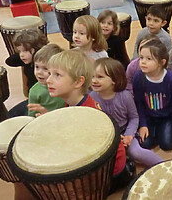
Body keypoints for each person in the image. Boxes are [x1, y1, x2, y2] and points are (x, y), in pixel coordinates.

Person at [46, 49, 130, 193]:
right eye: (50, 74)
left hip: (111, 170)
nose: (48, 80)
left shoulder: (88, 115)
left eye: (57, 75)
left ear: (78, 82)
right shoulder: (74, 102)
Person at [90, 58, 164, 167]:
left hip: (125, 132)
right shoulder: (92, 98)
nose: (94, 81)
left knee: (136, 152)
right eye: (92, 76)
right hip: (105, 136)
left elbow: (134, 117)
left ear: (114, 80)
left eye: (100, 77)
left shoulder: (125, 96)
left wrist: (129, 135)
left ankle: (165, 165)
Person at [133, 39, 172, 151]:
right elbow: (139, 103)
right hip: (149, 117)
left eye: (149, 59)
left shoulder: (171, 79)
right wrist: (143, 124)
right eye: (141, 57)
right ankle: (155, 132)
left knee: (167, 145)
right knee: (145, 144)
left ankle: (164, 130)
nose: (142, 62)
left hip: (167, 117)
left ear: (162, 62)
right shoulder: (138, 77)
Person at [5, 28, 48, 118]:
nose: (21, 55)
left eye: (25, 51)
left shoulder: (46, 63)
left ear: (36, 49)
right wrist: (25, 55)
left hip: (43, 101)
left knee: (25, 120)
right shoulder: (26, 60)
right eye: (20, 51)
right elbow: (9, 61)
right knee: (9, 115)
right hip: (32, 99)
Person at [26, 44, 65, 117]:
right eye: (37, 67)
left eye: (45, 68)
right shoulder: (34, 91)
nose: (39, 72)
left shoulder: (64, 86)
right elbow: (32, 116)